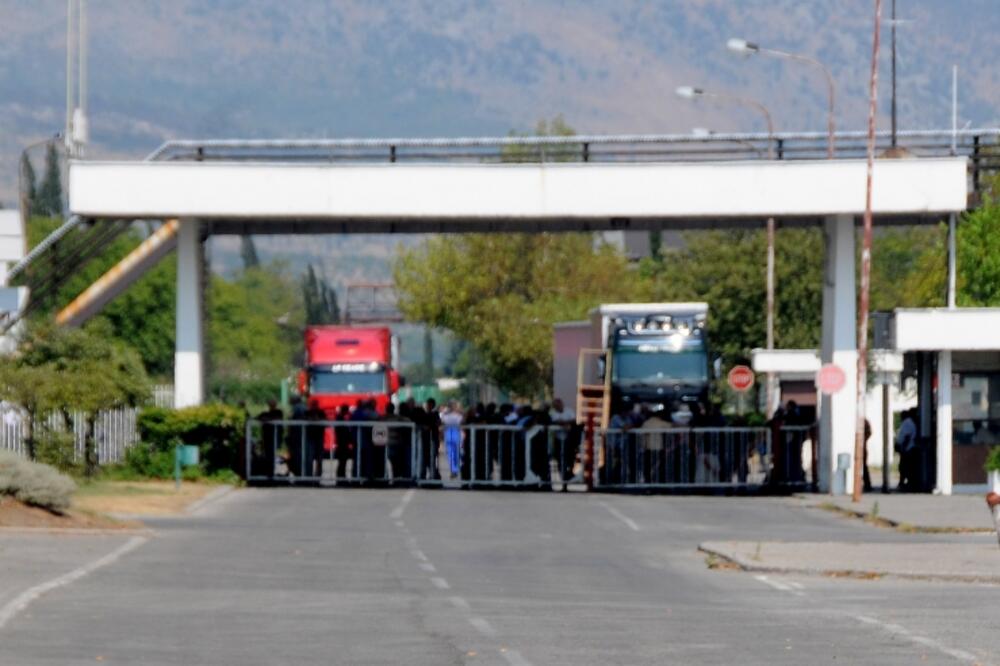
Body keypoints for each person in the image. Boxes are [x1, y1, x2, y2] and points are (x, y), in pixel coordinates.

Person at [549, 398, 578, 489]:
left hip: (569, 440)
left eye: (559, 404)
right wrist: (565, 424)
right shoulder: (553, 413)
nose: (558, 406)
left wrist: (564, 423)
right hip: (558, 440)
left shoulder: (569, 411)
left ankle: (569, 475)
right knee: (560, 462)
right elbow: (554, 421)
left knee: (570, 459)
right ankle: (564, 483)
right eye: (555, 405)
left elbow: (573, 420)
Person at [257, 400, 284, 479]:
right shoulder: (265, 413)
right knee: (267, 455)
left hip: (274, 437)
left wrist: (268, 420)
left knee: (271, 455)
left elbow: (278, 419)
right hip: (266, 437)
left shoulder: (278, 412)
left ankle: (270, 473)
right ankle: (268, 473)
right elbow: (258, 418)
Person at [895, 408, 918, 491]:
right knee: (905, 467)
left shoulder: (907, 423)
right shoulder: (909, 422)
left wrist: (903, 448)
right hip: (907, 448)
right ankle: (904, 483)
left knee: (904, 467)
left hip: (907, 449)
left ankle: (903, 483)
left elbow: (907, 436)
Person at [441, 401, 464, 479]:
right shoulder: (459, 416)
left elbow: (442, 424)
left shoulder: (445, 416)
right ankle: (457, 467)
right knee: (457, 453)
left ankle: (453, 470)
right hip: (456, 435)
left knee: (450, 454)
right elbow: (462, 424)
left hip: (448, 436)